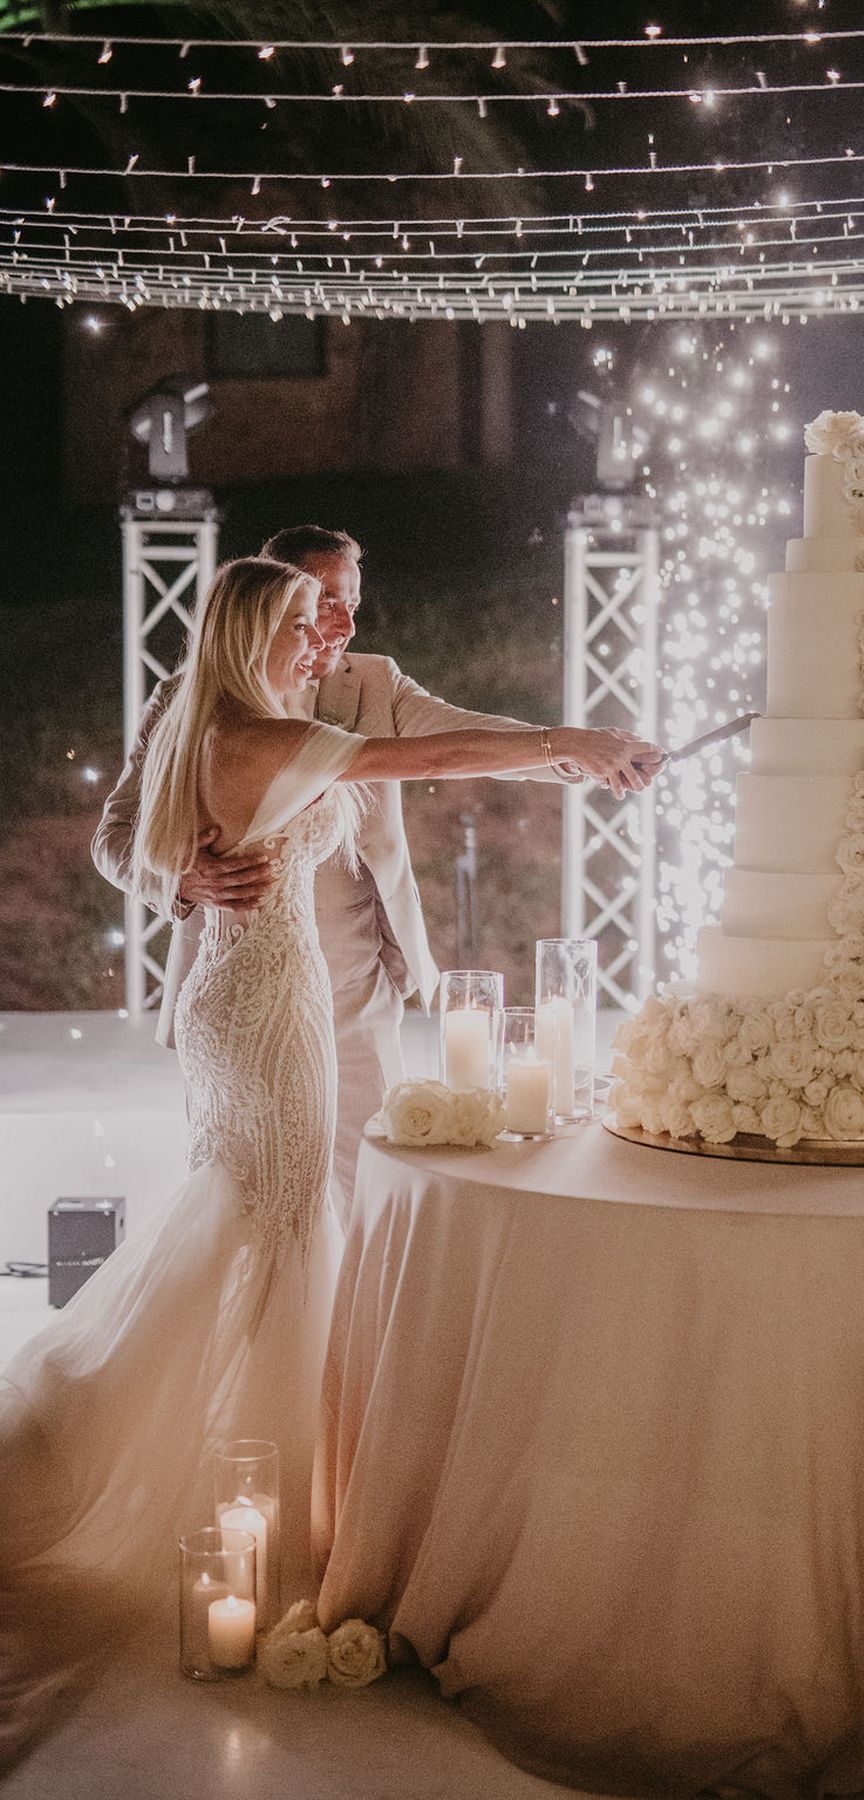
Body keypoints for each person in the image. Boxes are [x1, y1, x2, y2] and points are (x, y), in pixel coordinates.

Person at [0, 556, 662, 1770]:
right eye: (309, 618)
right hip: (260, 1004)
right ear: (263, 627)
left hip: (273, 995)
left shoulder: (238, 716)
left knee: (257, 1224)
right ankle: (283, 1519)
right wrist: (572, 739)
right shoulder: (249, 729)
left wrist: (560, 749)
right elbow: (420, 764)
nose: (329, 636)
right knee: (292, 1222)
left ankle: (258, 1482)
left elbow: (439, 737)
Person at [93, 524, 584, 1223]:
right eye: (322, 601)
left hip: (357, 987)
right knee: (255, 1193)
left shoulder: (376, 682)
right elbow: (114, 835)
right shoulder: (188, 700)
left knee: (366, 1187)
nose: (342, 621)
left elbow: (463, 737)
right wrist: (181, 881)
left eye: (353, 601)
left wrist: (575, 762)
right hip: (247, 986)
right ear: (273, 601)